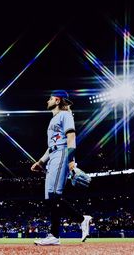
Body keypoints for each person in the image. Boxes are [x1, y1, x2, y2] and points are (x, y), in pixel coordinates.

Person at [31, 90, 92, 245]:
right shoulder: (54, 119)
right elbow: (52, 145)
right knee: (49, 199)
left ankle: (54, 235)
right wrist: (40, 162)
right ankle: (81, 219)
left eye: (50, 98)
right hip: (53, 156)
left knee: (55, 195)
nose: (47, 101)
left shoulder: (65, 115)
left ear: (57, 101)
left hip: (62, 154)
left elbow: (71, 137)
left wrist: (71, 161)